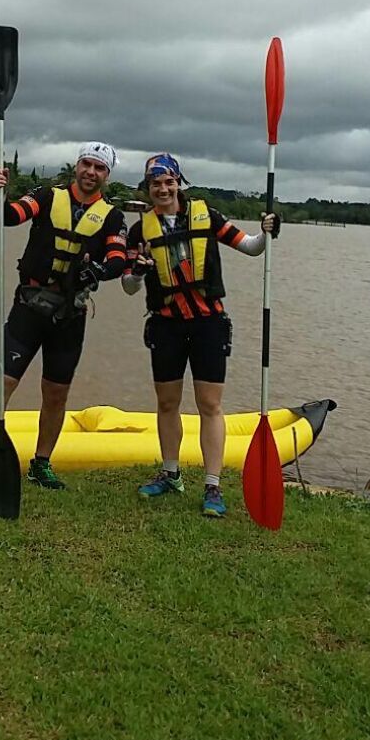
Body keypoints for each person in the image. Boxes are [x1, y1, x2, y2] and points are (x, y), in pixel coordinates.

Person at [122, 152, 280, 518]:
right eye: (155, 184)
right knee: (167, 403)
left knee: (209, 405)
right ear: (148, 189)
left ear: (178, 183)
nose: (162, 189)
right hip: (165, 324)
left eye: (168, 182)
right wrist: (140, 272)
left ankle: (212, 485)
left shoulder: (207, 216)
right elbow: (129, 286)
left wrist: (268, 230)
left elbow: (251, 247)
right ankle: (170, 473)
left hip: (208, 323)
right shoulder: (138, 230)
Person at [0, 142, 127, 499]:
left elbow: (118, 258)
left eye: (99, 168)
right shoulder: (46, 196)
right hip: (28, 308)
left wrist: (97, 270)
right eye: (86, 164)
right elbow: (10, 216)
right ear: (77, 166)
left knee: (56, 395)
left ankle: (41, 463)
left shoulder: (112, 216)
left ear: (107, 176)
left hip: (69, 316)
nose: (91, 172)